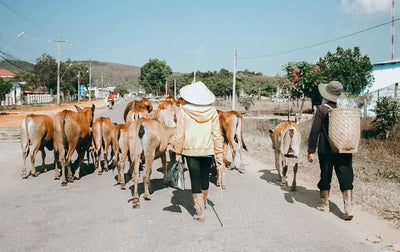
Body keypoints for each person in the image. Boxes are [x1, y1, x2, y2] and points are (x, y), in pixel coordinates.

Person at [174, 81, 224, 222]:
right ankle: (204, 200)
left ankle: (200, 211)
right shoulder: (212, 111)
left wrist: (178, 152)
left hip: (190, 151)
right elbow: (216, 134)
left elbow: (180, 134)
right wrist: (219, 153)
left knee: (194, 179)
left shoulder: (183, 111)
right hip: (208, 150)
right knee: (204, 178)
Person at [307, 80, 354, 221]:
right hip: (345, 147)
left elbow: (315, 131)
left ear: (326, 94)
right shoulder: (347, 109)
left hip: (325, 149)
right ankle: (348, 208)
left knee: (326, 174)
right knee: (346, 175)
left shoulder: (322, 109)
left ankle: (324, 204)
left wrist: (311, 149)